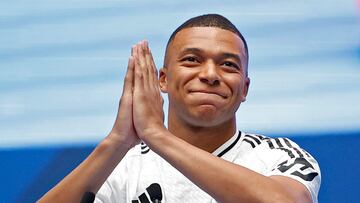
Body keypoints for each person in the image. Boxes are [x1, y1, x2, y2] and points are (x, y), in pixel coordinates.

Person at [38, 14, 321, 203]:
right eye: (192, 60)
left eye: (228, 64)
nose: (211, 74)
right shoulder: (122, 166)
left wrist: (157, 135)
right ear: (163, 79)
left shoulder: (278, 155)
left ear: (244, 88)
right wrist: (117, 142)